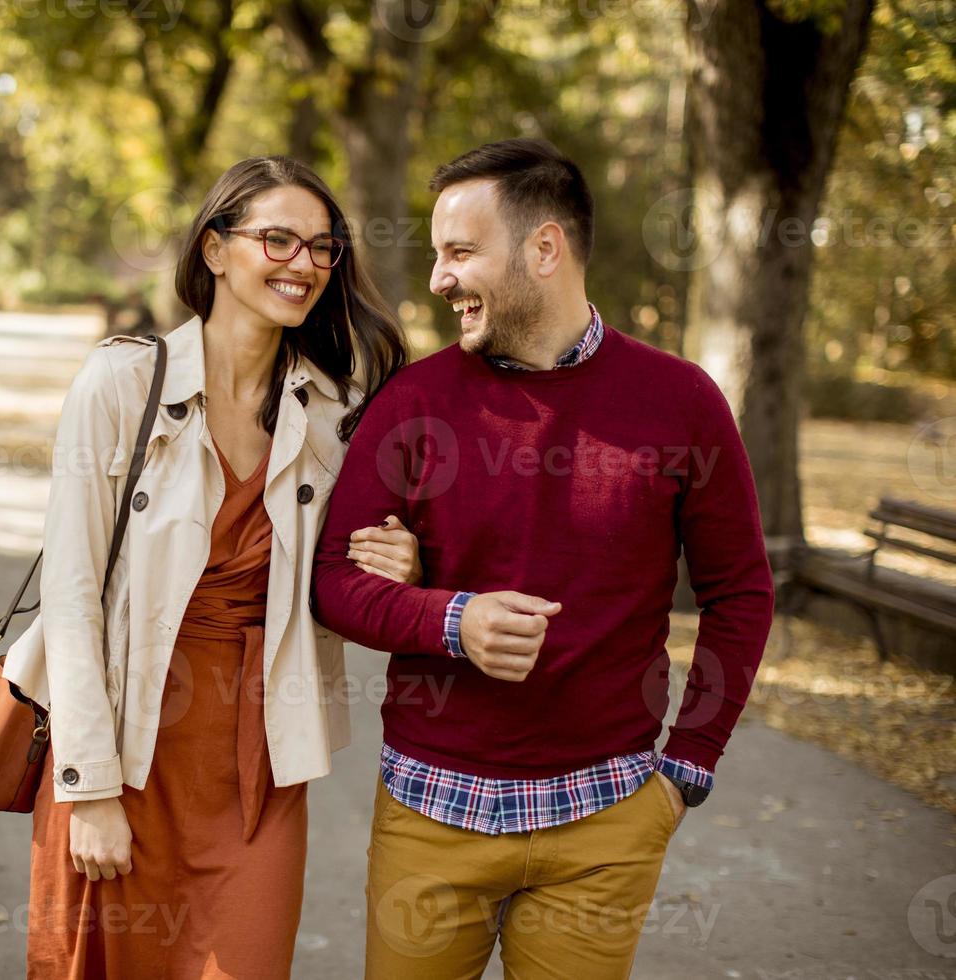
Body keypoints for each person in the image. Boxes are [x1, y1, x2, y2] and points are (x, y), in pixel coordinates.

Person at [311, 137, 776, 979]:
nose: (439, 279)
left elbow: (740, 592)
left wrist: (688, 769)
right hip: (430, 815)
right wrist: (450, 618)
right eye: (436, 254)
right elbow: (334, 583)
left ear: (544, 248)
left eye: (460, 253)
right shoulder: (413, 401)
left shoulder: (681, 402)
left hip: (605, 822)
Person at [1, 155, 424, 978]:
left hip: (260, 760)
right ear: (215, 249)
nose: (302, 264)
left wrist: (398, 562)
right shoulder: (121, 383)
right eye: (277, 239)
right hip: (124, 745)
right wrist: (88, 788)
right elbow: (74, 592)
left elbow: (342, 576)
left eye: (322, 247)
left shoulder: (333, 415)